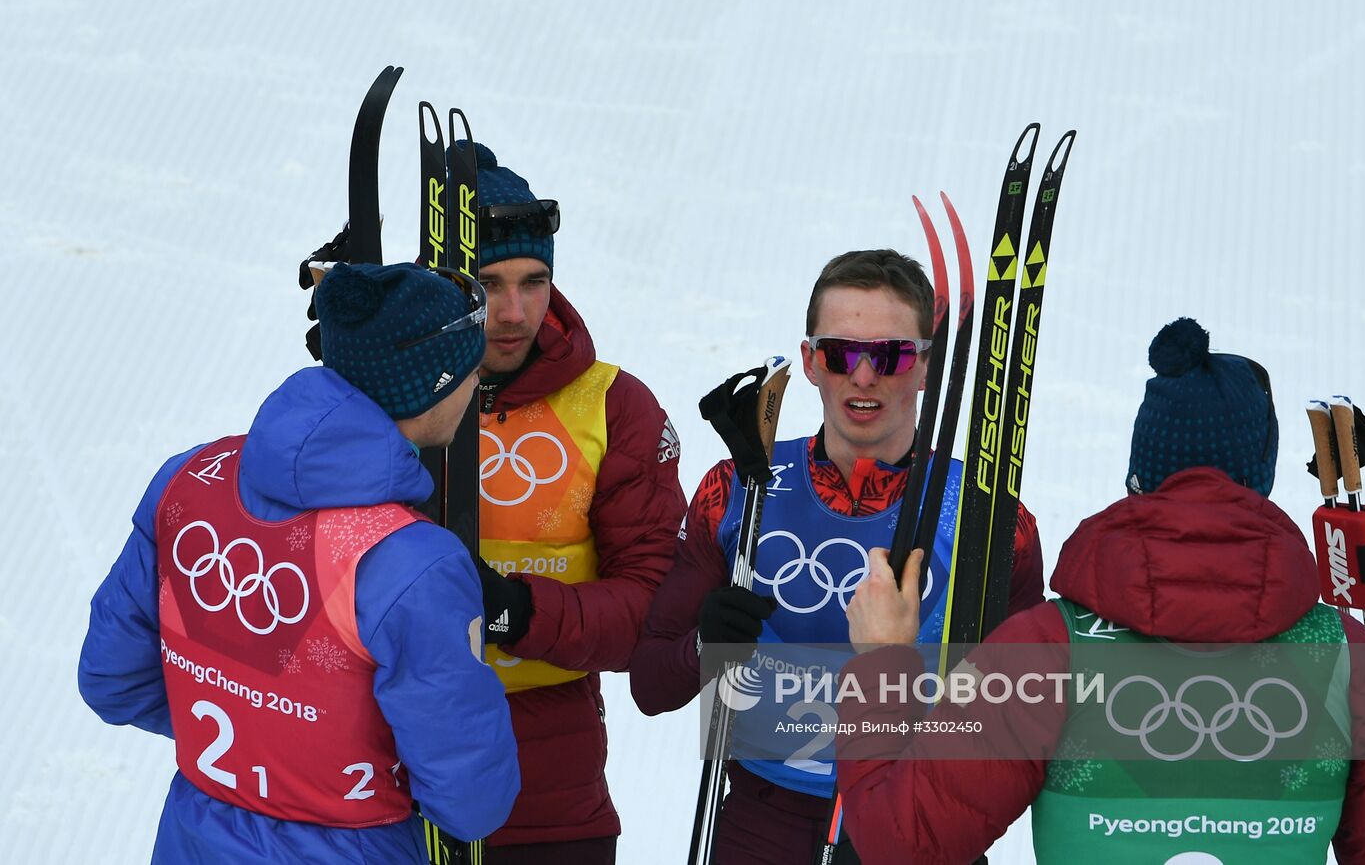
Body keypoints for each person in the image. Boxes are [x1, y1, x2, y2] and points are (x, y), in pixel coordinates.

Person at [838, 317, 1365, 864]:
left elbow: (903, 843)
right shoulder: (1353, 659)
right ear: (1260, 479)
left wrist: (884, 663)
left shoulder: (1045, 649)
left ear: (1140, 475)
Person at [78, 262, 519, 862]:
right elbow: (472, 800)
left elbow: (112, 680)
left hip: (195, 839)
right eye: (469, 371)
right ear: (434, 384)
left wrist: (254, 750)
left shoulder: (188, 479)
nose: (475, 387)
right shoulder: (414, 563)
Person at [630, 248, 1045, 863]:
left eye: (892, 355)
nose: (864, 375)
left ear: (926, 366)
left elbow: (1025, 720)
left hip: (912, 826)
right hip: (759, 823)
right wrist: (705, 646)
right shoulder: (736, 491)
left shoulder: (990, 521)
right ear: (809, 362)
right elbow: (650, 684)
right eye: (839, 352)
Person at [453, 143, 688, 863]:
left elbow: (652, 604)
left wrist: (520, 613)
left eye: (535, 280)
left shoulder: (613, 405)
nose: (514, 312)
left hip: (549, 796)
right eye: (489, 284)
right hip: (395, 780)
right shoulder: (394, 401)